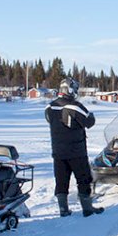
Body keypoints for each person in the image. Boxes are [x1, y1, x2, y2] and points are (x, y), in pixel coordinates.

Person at [45, 77, 104, 217]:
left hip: (58, 151)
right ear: (70, 90)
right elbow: (90, 121)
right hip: (76, 151)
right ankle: (87, 209)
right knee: (83, 179)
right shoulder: (75, 106)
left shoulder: (49, 107)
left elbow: (49, 120)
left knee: (61, 180)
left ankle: (63, 210)